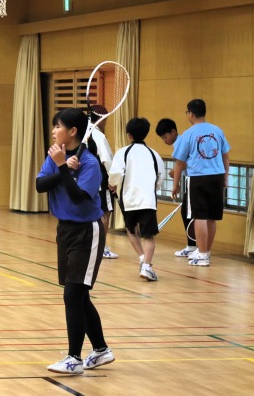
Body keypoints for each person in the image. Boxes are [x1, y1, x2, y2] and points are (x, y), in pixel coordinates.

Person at [36, 108, 114, 375]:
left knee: (72, 295)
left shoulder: (90, 163)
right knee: (79, 296)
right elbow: (40, 185)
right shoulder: (56, 155)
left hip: (87, 232)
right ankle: (101, 350)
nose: (54, 131)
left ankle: (74, 358)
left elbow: (80, 197)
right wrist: (61, 167)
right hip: (65, 230)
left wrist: (61, 167)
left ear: (72, 132)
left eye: (58, 126)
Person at [172, 99, 230, 267]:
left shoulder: (188, 134)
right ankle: (205, 251)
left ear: (191, 113)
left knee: (200, 216)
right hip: (217, 177)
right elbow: (226, 156)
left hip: (198, 178)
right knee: (212, 217)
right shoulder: (218, 131)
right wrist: (225, 177)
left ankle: (202, 254)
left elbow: (179, 163)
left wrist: (175, 185)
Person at [109, 117, 165, 282]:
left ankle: (142, 258)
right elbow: (160, 176)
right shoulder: (154, 154)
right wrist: (153, 189)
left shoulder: (123, 152)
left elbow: (116, 173)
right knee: (149, 236)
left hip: (129, 200)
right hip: (148, 200)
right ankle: (146, 265)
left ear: (129, 135)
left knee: (131, 229)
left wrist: (113, 184)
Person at [155, 118, 197, 258]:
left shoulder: (181, 142)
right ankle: (192, 246)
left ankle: (193, 246)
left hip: (193, 180)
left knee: (188, 213)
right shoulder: (179, 143)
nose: (164, 141)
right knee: (186, 212)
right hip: (190, 180)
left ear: (174, 132)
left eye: (165, 137)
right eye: (162, 138)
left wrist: (175, 177)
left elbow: (182, 163)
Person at [88, 105, 118, 259]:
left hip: (85, 181)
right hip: (100, 182)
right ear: (102, 119)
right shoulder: (98, 136)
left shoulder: (82, 132)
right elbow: (107, 160)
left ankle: (90, 246)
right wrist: (113, 181)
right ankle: (101, 247)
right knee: (104, 212)